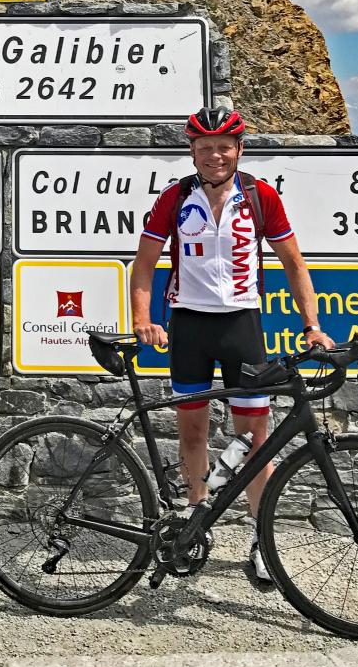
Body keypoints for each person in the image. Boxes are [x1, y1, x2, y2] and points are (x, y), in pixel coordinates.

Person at [131, 106, 334, 584]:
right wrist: (144, 320)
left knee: (255, 440)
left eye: (224, 146)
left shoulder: (261, 198)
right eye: (204, 148)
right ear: (192, 152)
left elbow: (294, 264)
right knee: (193, 435)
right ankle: (193, 522)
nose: (215, 155)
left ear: (239, 150)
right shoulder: (174, 199)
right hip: (189, 329)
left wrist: (312, 325)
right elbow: (143, 266)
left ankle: (262, 539)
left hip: (242, 327)